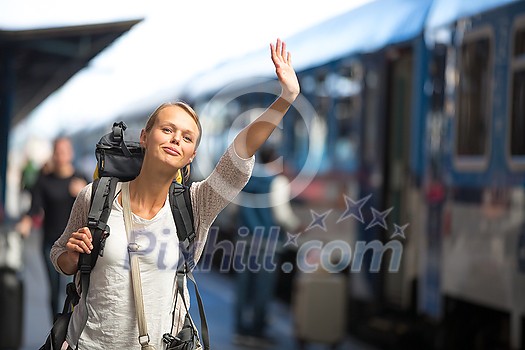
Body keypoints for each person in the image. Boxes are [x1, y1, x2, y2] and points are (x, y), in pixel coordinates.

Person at [49, 38, 300, 349]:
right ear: (145, 136)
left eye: (186, 137)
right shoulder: (96, 196)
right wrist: (70, 257)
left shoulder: (196, 204)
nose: (175, 139)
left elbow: (240, 153)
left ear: (191, 155)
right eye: (167, 129)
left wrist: (286, 98)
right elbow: (59, 255)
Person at [233, 145, 303, 346]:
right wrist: (297, 226)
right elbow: (281, 215)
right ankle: (257, 331)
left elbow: (234, 209)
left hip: (244, 238)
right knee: (263, 287)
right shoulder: (277, 182)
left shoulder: (246, 179)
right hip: (267, 241)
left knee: (243, 286)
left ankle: (240, 329)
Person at [16, 136, 88, 317]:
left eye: (64, 151)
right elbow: (35, 207)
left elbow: (94, 207)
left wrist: (84, 190)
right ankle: (56, 328)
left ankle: (71, 328)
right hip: (51, 242)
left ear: (70, 153)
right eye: (58, 151)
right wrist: (26, 221)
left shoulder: (81, 179)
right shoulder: (44, 180)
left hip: (76, 244)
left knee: (73, 288)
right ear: (54, 154)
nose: (61, 155)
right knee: (54, 288)